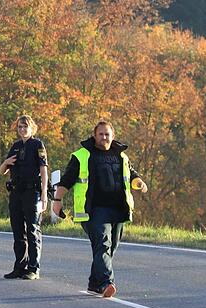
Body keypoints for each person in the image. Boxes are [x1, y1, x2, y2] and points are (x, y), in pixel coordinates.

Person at [52, 120, 148, 298]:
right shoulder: (82, 155)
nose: (104, 137)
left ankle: (94, 283)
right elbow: (67, 180)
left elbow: (131, 174)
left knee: (109, 249)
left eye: (107, 134)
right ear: (94, 135)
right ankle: (106, 283)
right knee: (103, 245)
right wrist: (57, 200)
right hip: (94, 210)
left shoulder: (121, 156)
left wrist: (139, 183)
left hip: (119, 208)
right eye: (101, 134)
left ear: (113, 136)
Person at [0, 115, 48, 280]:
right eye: (19, 127)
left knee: (32, 230)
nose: (22, 130)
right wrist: (6, 162)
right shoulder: (15, 146)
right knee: (18, 231)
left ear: (32, 128)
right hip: (16, 192)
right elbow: (2, 171)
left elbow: (43, 170)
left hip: (31, 192)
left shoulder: (37, 145)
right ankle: (20, 266)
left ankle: (33, 268)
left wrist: (44, 193)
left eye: (25, 127)